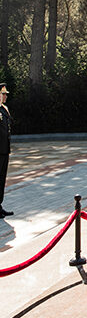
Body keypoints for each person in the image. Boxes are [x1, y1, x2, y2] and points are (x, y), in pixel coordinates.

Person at [0, 84, 12, 218]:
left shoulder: (4, 109)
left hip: (4, 149)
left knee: (2, 179)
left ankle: (0, 205)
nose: (5, 96)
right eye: (3, 94)